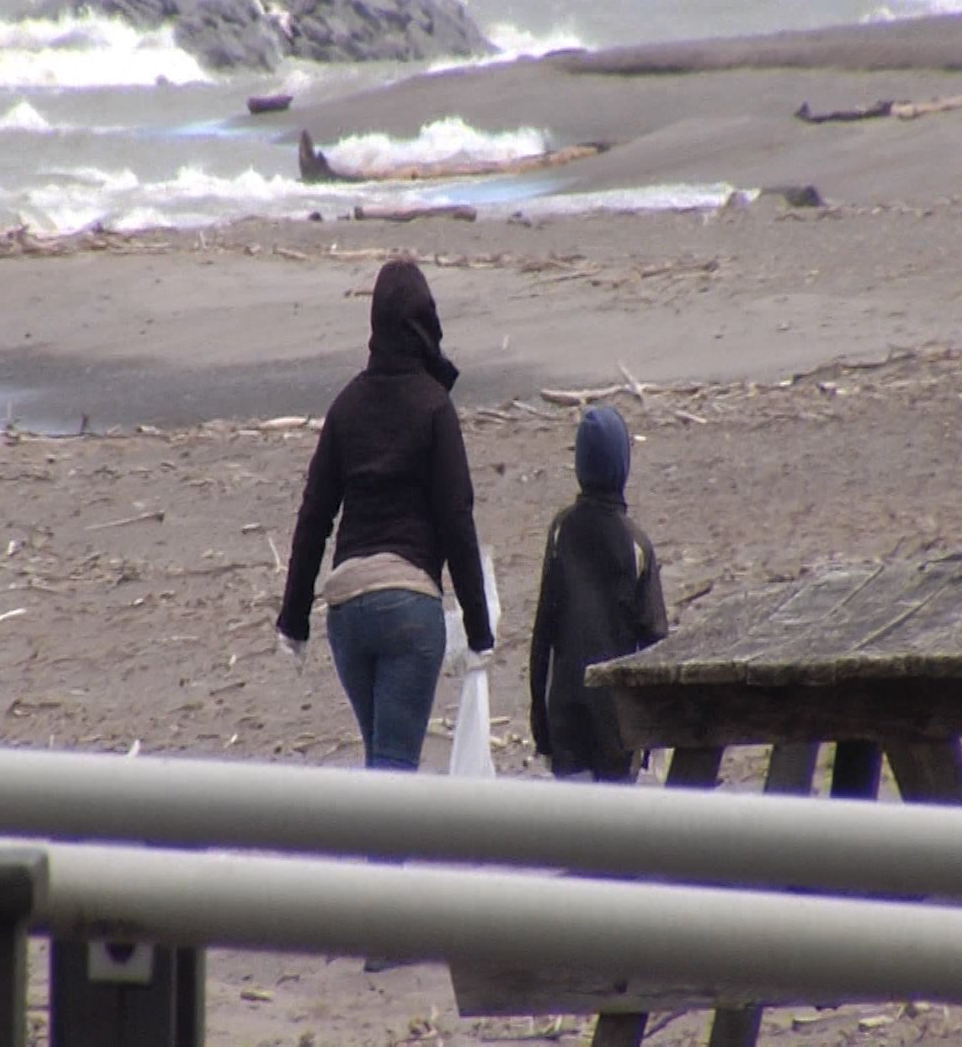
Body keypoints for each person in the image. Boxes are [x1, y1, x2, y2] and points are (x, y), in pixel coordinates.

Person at [276, 258, 494, 775]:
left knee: (381, 761)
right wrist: (479, 628)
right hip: (408, 608)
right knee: (394, 772)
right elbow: (456, 519)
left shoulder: (346, 406)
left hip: (347, 610)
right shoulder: (434, 407)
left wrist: (294, 619)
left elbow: (314, 517)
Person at [528, 404, 668, 782]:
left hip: (566, 716)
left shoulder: (561, 531)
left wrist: (541, 725)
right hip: (618, 722)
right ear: (623, 465)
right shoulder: (636, 544)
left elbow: (543, 635)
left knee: (570, 816)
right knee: (615, 814)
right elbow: (655, 642)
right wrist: (654, 732)